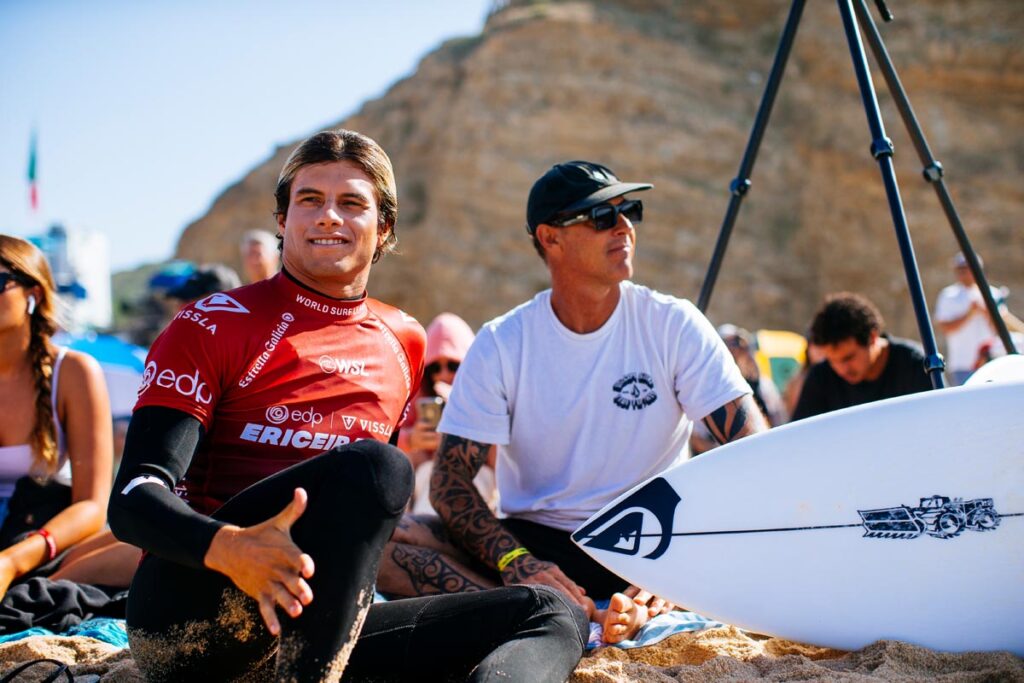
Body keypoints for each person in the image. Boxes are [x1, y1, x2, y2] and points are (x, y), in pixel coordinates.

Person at [107, 131, 586, 682]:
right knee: (380, 466)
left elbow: (362, 526)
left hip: (319, 623)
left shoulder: (403, 340)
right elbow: (133, 497)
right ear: (283, 220)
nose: (328, 217)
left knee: (553, 613)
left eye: (352, 203)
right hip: (195, 617)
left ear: (383, 230)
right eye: (309, 200)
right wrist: (231, 547)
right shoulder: (214, 323)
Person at [380, 160, 767, 643]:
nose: (624, 226)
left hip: (653, 539)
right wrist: (516, 562)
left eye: (630, 211)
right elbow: (450, 482)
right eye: (602, 217)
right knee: (384, 542)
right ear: (551, 238)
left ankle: (566, 611)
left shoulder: (673, 325)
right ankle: (540, 610)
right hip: (536, 537)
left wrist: (680, 564)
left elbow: (755, 454)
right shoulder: (503, 341)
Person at [0, 236, 113, 597]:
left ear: (33, 293)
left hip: (40, 537)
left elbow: (92, 506)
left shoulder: (74, 372)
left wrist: (12, 561)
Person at [396, 313, 497, 515]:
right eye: (435, 367)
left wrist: (462, 410)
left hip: (477, 482)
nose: (444, 375)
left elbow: (502, 463)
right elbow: (390, 447)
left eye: (453, 366)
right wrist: (413, 440)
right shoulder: (418, 398)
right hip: (427, 482)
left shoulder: (489, 395)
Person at [791, 292, 933, 421]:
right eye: (832, 361)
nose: (842, 369)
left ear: (872, 337)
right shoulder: (821, 376)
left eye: (848, 358)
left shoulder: (916, 365)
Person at [934, 252, 1011, 385]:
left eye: (967, 268)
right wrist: (969, 314)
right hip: (962, 363)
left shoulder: (993, 294)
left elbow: (1002, 328)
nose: (963, 272)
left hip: (991, 361)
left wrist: (986, 311)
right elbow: (945, 327)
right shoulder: (948, 295)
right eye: (960, 269)